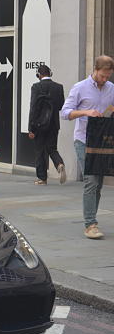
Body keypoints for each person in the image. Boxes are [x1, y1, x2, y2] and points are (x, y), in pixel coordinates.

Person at [61, 55, 114, 239]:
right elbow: (65, 113)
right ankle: (90, 224)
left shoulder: (111, 88)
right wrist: (86, 112)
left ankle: (91, 219)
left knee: (98, 183)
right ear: (95, 70)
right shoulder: (80, 87)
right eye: (102, 76)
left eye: (108, 77)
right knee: (91, 180)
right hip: (83, 140)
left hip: (102, 142)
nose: (105, 80)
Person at [28, 65, 67, 185]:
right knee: (52, 148)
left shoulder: (36, 87)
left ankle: (42, 178)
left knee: (40, 150)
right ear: (50, 73)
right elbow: (61, 105)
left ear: (38, 75)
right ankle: (59, 163)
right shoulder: (58, 87)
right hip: (54, 124)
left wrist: (31, 128)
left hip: (39, 125)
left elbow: (33, 108)